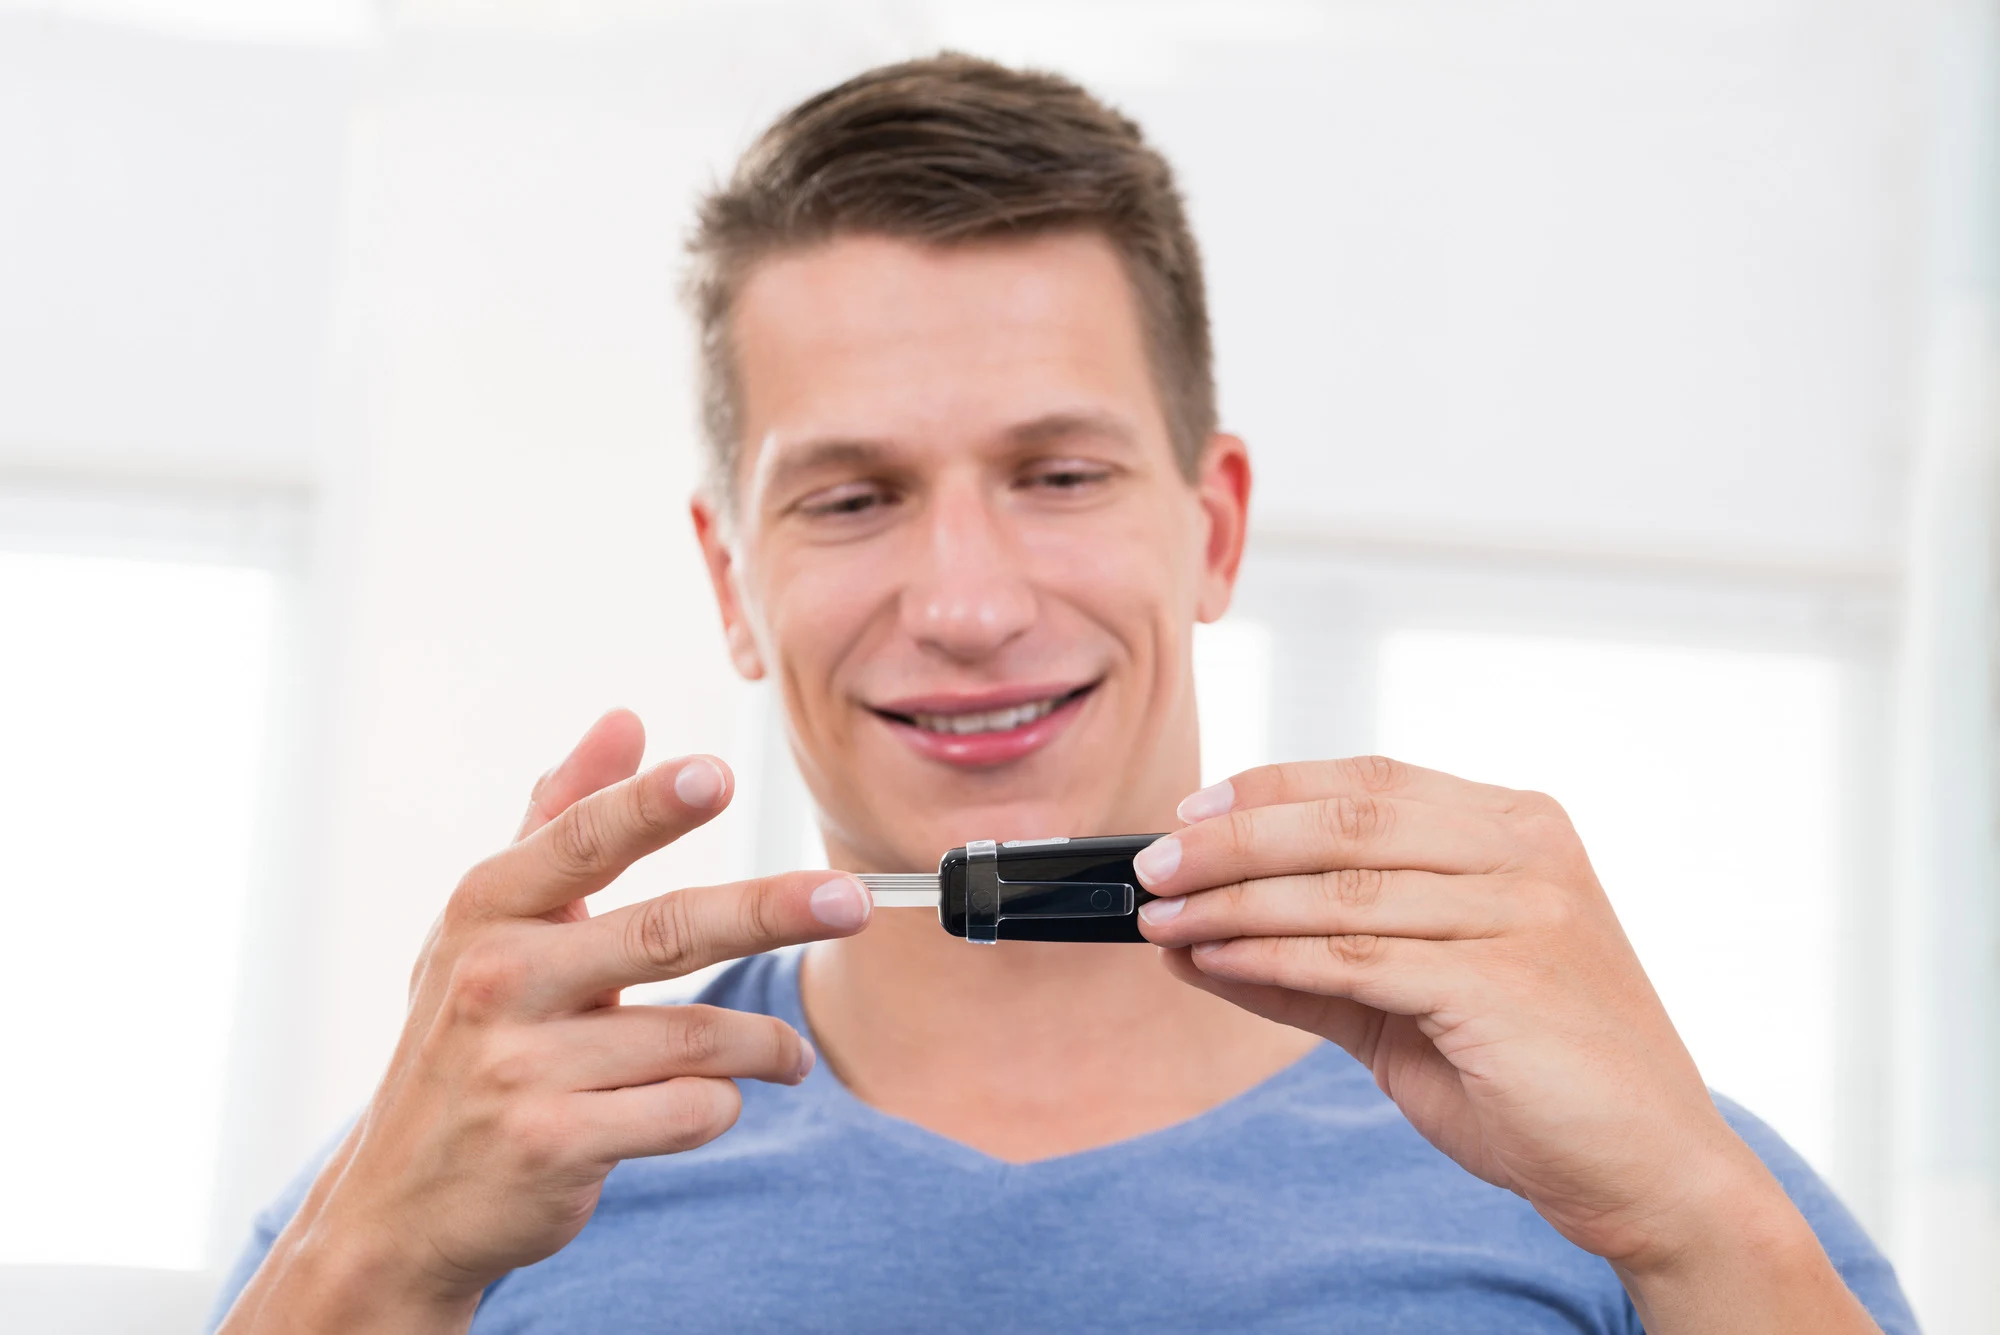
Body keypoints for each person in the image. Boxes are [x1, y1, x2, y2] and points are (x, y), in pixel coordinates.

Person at [211, 54, 1915, 1334]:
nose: (965, 603)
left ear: (1216, 524)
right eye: (854, 496)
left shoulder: (1637, 1176)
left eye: (1061, 474)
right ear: (736, 579)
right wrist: (360, 1264)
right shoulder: (455, 1189)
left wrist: (1700, 1214)